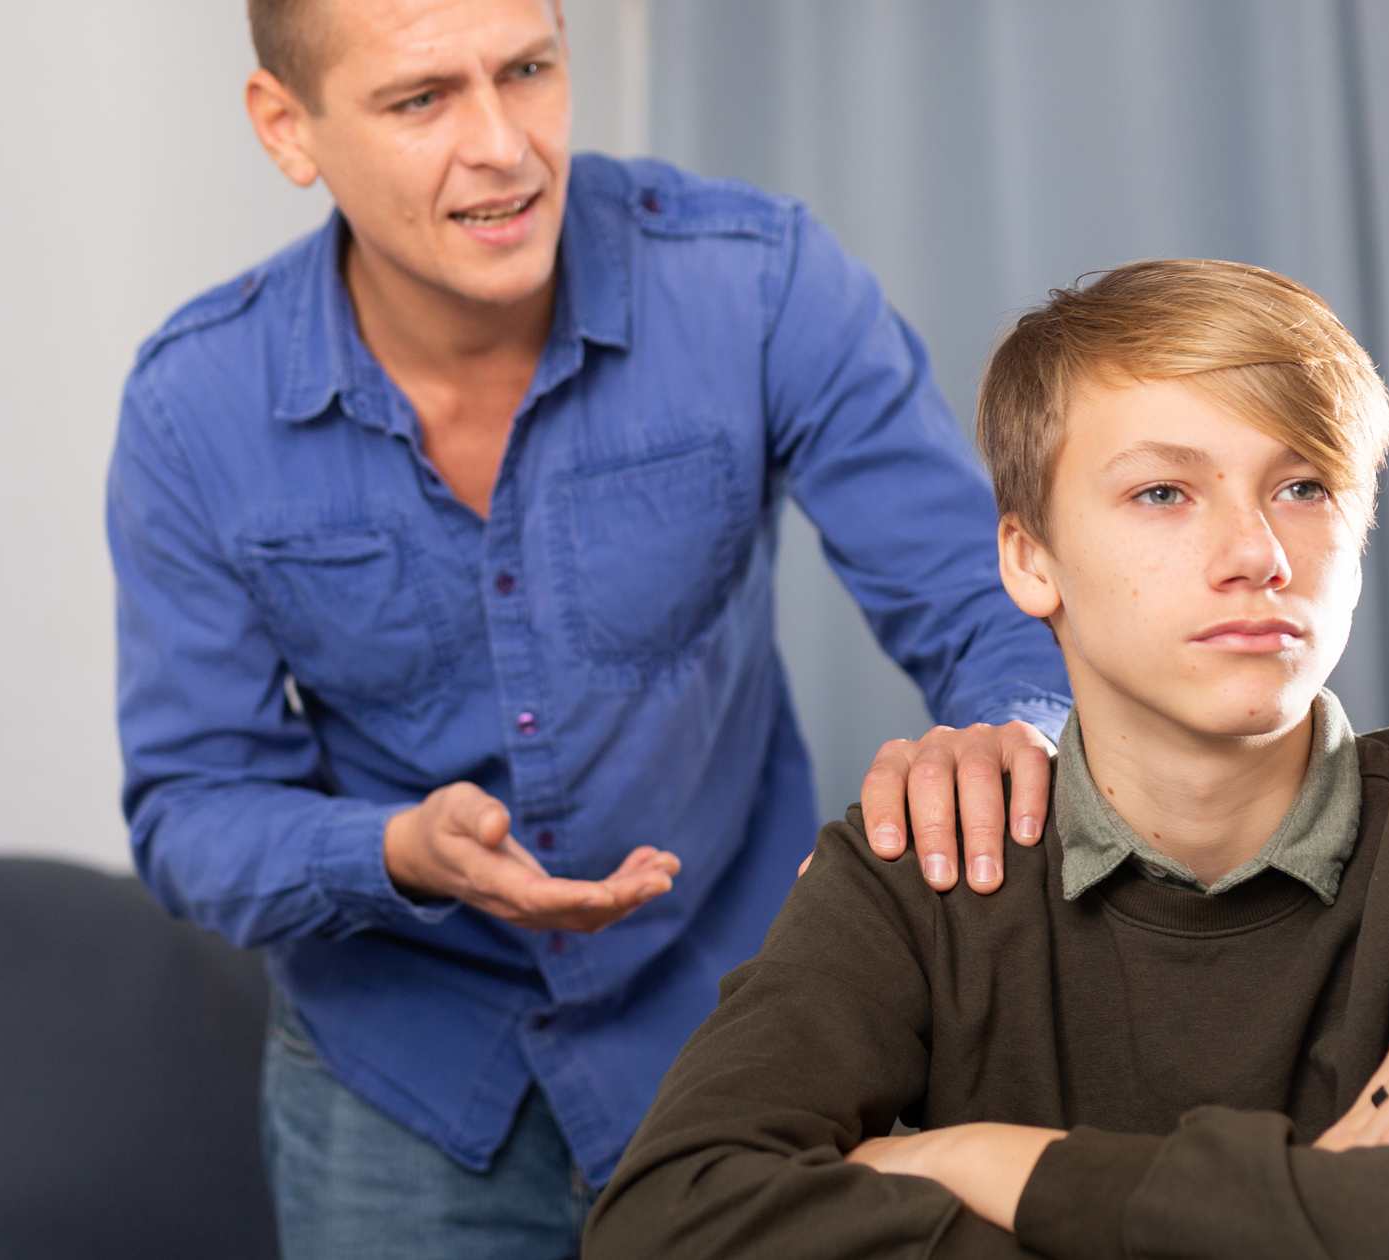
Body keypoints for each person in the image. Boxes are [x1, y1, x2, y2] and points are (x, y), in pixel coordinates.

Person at [104, 0, 1068, 1252]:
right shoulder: (194, 409)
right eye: (421, 99)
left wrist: (1011, 732)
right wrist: (394, 849)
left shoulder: (758, 281)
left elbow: (983, 603)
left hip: (739, 1042)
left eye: (528, 70)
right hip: (401, 1093)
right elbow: (191, 810)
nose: (503, 143)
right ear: (288, 129)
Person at [587, 259, 1389, 1258]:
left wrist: (975, 1160)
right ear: (1027, 558)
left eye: (1304, 487)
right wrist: (1316, 1196)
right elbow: (667, 1224)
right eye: (1162, 493)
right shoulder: (922, 868)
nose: (1256, 555)